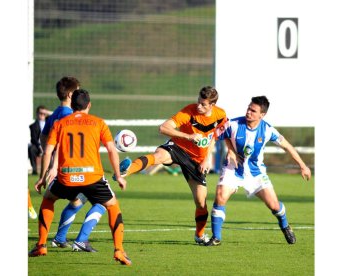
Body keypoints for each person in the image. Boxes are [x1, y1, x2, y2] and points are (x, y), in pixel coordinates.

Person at [29, 89, 132, 265]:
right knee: (113, 205)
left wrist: (42, 177)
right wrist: (118, 176)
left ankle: (41, 245)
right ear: (89, 105)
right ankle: (119, 250)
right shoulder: (98, 123)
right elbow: (111, 149)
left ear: (72, 104)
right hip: (92, 178)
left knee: (48, 199)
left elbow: (48, 151)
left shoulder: (60, 123)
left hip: (67, 177)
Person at [115, 86, 228, 245]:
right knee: (159, 156)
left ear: (212, 105)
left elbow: (216, 135)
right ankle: (126, 171)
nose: (199, 106)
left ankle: (199, 235)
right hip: (178, 148)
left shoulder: (221, 115)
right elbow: (163, 128)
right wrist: (188, 136)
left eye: (203, 104)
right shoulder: (188, 111)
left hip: (197, 160)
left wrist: (207, 158)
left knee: (201, 203)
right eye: (198, 102)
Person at [205, 96, 311, 246]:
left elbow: (287, 146)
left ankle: (285, 225)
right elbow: (215, 135)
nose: (248, 112)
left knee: (274, 206)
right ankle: (216, 238)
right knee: (220, 196)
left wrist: (303, 165)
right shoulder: (234, 124)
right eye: (248, 108)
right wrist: (224, 152)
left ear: (262, 115)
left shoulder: (267, 130)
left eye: (253, 111)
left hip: (256, 173)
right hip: (233, 169)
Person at [36, 76, 90, 249]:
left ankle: (56, 239)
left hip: (60, 167)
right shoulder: (68, 115)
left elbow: (44, 138)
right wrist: (54, 164)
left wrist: (50, 157)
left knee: (56, 199)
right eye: (77, 91)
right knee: (96, 197)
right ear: (69, 94)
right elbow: (62, 141)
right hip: (68, 168)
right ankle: (74, 239)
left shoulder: (56, 113)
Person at [28, 105, 49, 175]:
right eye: (40, 113)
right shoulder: (33, 126)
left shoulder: (50, 123)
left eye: (44, 114)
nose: (42, 115)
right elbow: (33, 139)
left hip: (49, 145)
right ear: (37, 113)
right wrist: (39, 146)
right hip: (38, 146)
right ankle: (34, 170)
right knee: (31, 149)